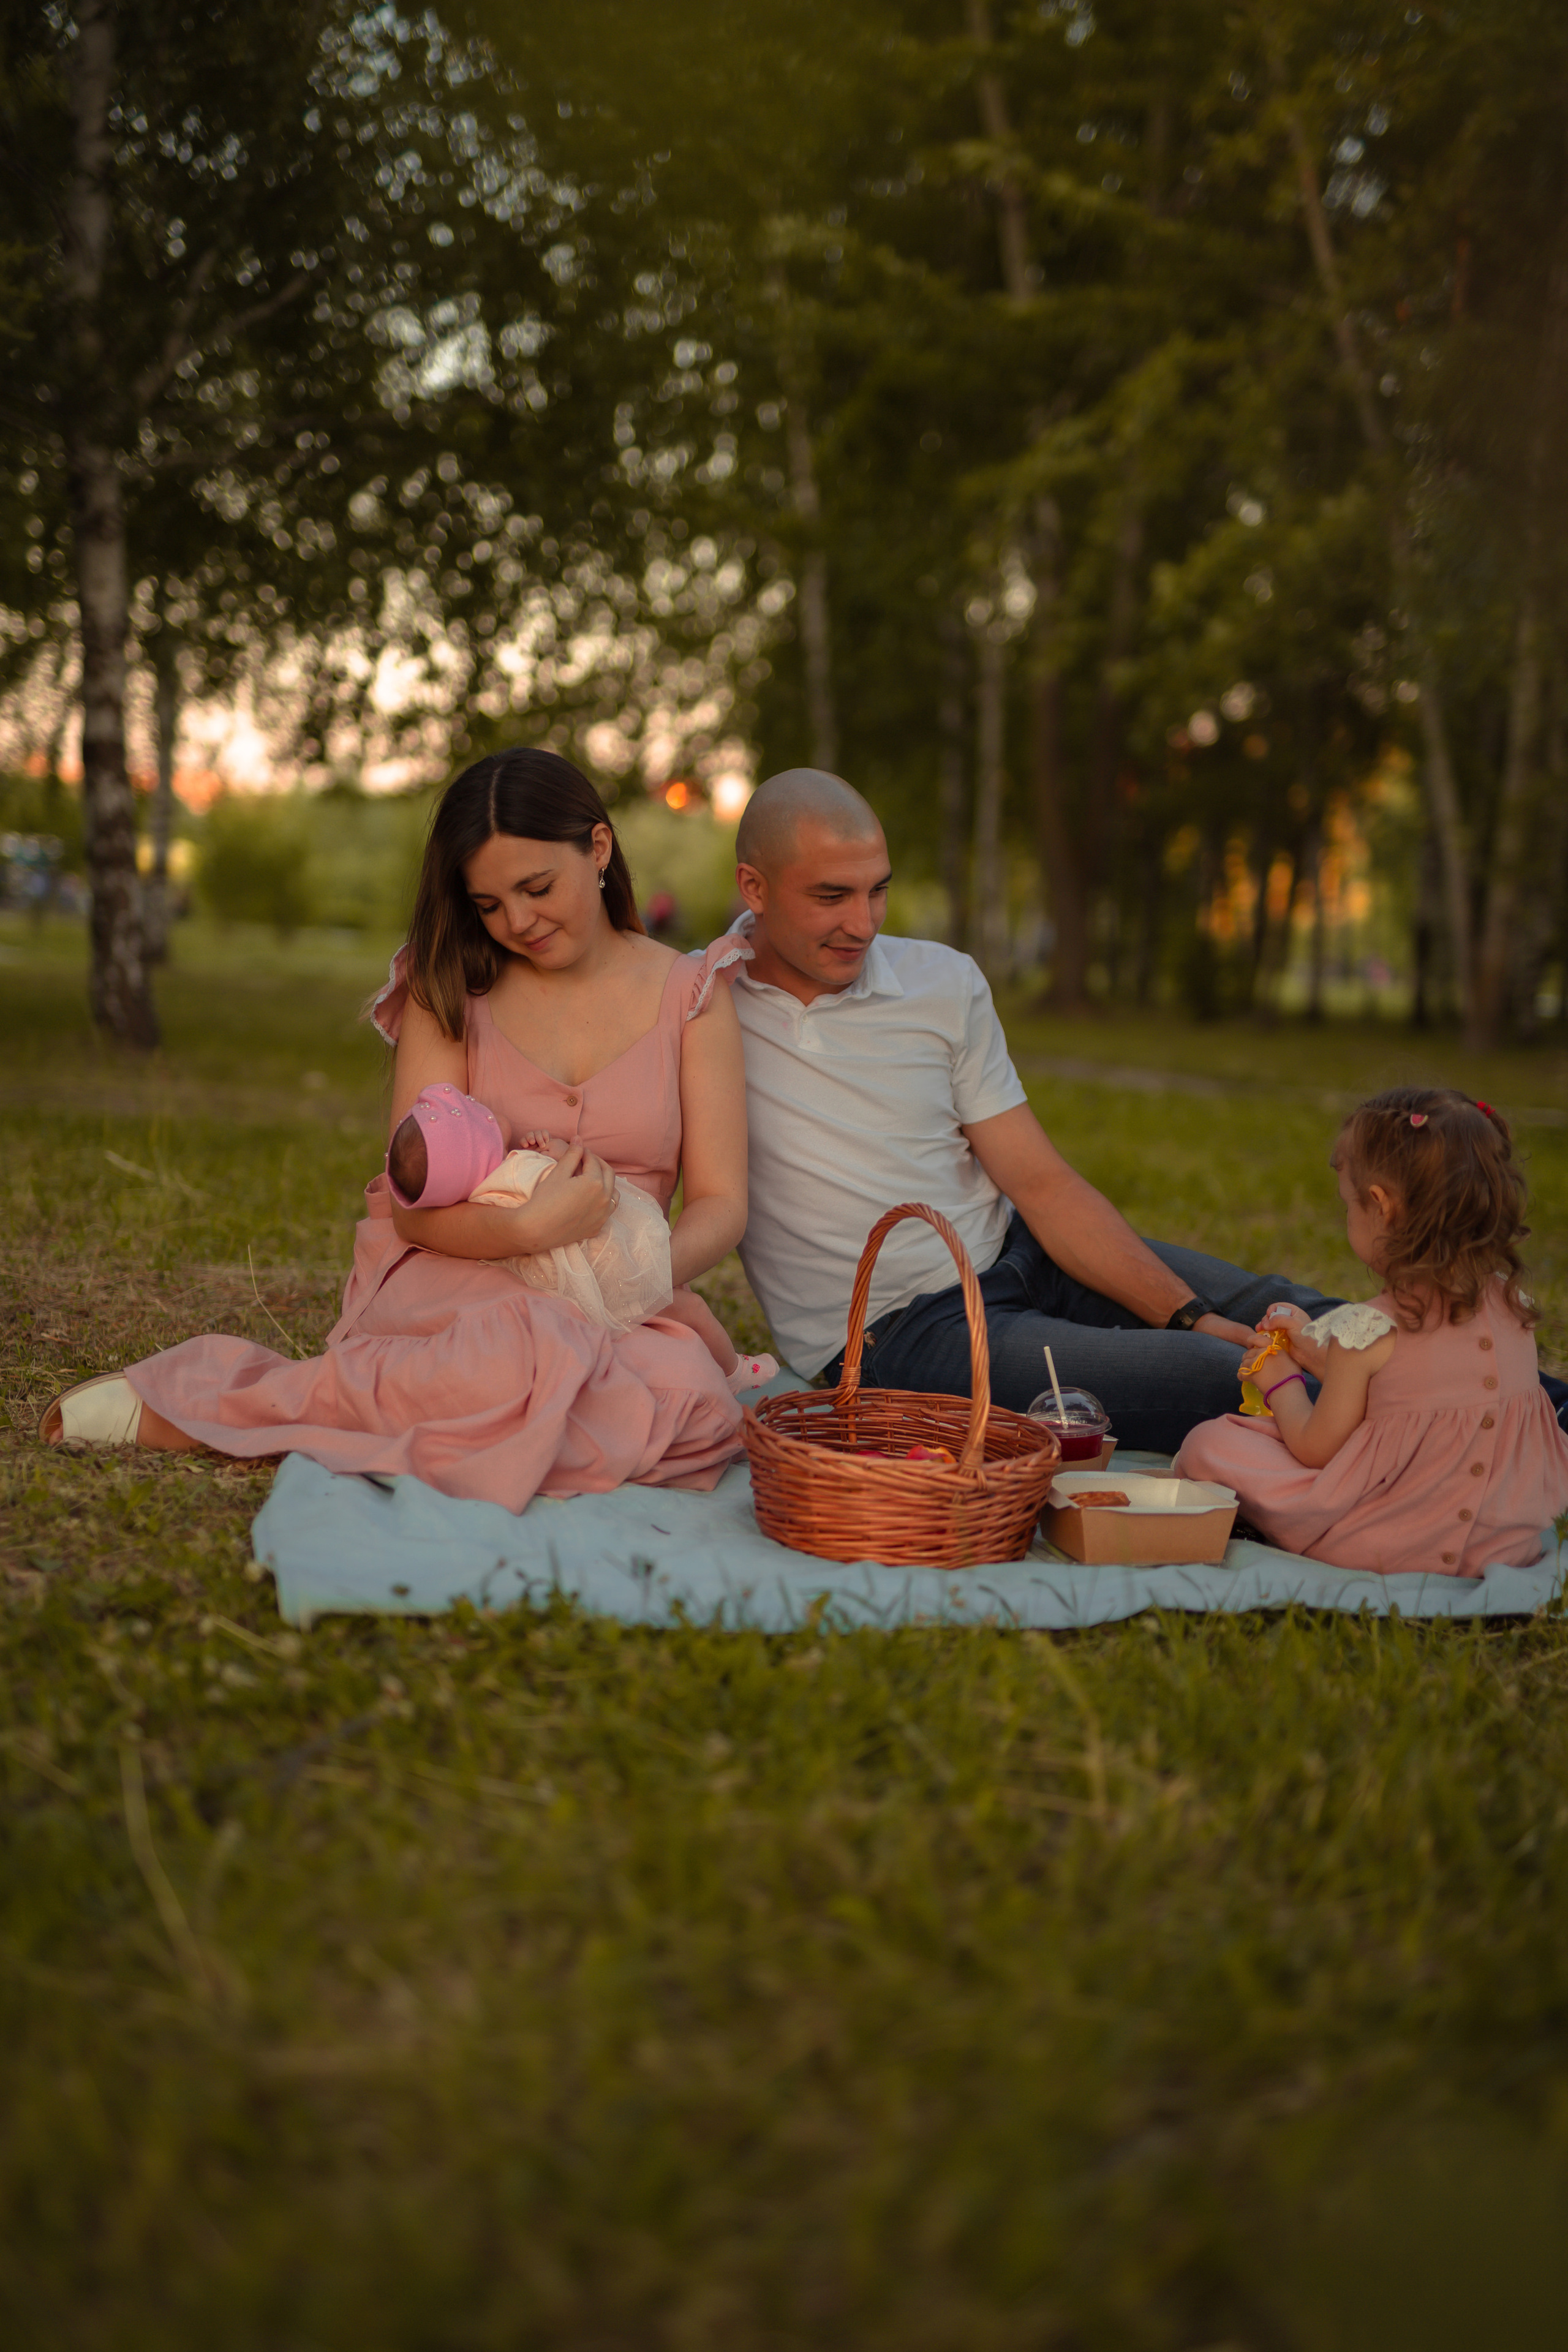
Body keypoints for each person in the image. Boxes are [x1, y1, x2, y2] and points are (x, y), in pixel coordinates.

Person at [41, 750, 757, 1509]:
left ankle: (439, 1421)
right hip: (462, 1271)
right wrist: (528, 1233)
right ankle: (203, 1405)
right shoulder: (451, 988)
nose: (517, 922)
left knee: (694, 1408)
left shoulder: (690, 994)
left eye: (537, 887)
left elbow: (720, 1202)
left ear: (600, 848)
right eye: (488, 903)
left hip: (631, 1299)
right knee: (521, 1353)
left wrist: (622, 1281)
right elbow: (415, 1208)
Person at [726, 767, 1340, 1458]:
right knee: (1234, 1378)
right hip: (900, 1333)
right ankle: (1432, 1447)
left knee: (1303, 1316)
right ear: (755, 887)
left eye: (878, 891)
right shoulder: (696, 1005)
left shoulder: (942, 982)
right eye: (831, 896)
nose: (862, 924)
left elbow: (1041, 1184)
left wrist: (1187, 1312)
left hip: (1026, 1252)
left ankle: (1468, 1373)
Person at [1175, 1090, 1568, 1573]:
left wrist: (1279, 1380)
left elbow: (1317, 1447)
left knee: (1210, 1444)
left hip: (1391, 1541)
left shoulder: (1369, 1329)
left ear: (1381, 1206)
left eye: (1349, 1205)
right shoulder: (1514, 1304)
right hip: (1506, 1543)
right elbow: (1417, 1389)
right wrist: (1322, 1355)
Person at [386, 1080, 775, 1387]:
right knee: (691, 1310)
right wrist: (558, 1150)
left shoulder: (482, 1199)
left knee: (679, 1313)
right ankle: (735, 1373)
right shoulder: (520, 1170)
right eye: (478, 1114)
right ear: (479, 1144)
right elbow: (582, 1186)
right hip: (612, 1272)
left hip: (568, 1294)